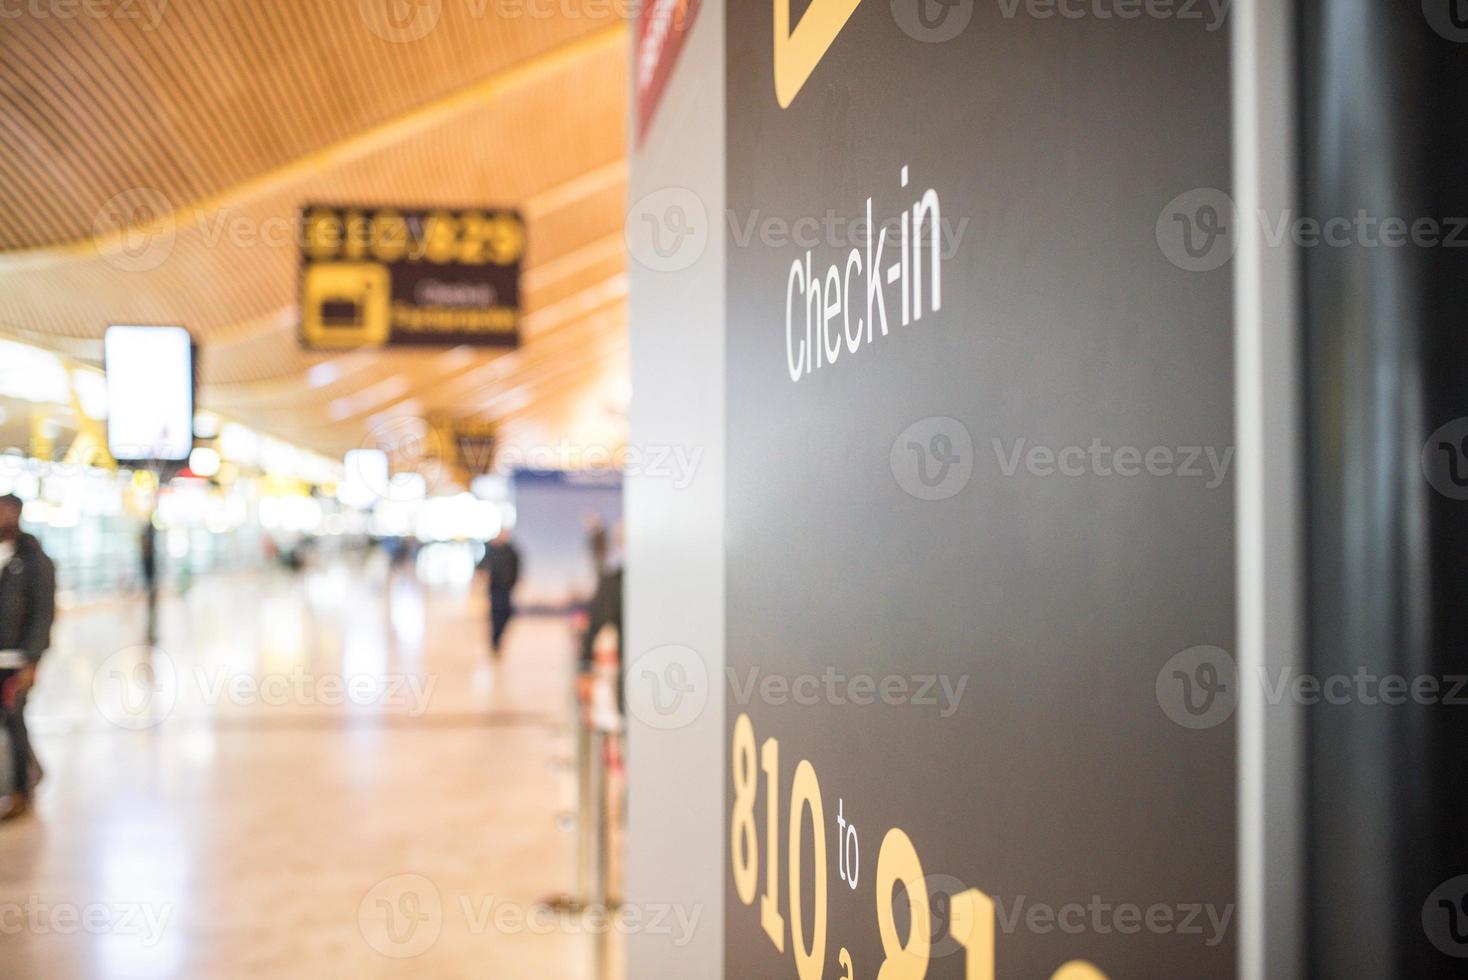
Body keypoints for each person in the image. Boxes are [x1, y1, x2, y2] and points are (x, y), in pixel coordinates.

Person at [0, 494, 55, 821]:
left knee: (15, 719)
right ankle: (31, 772)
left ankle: (23, 788)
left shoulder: (34, 559)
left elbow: (43, 613)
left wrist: (33, 660)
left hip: (17, 660)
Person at [480, 528, 520, 658]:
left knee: (507, 612)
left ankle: (498, 638)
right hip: (494, 587)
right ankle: (494, 641)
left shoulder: (511, 551)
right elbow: (481, 567)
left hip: (506, 588)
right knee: (495, 614)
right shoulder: (490, 550)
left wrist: (513, 582)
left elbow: (517, 567)